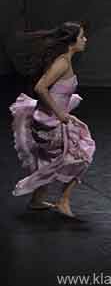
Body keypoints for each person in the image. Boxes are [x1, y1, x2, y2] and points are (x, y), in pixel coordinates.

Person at [10, 21, 95, 218]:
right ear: (72, 41)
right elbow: (41, 87)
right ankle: (63, 200)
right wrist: (59, 113)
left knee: (51, 160)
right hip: (50, 123)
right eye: (82, 36)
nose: (85, 39)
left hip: (48, 120)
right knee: (84, 154)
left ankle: (37, 200)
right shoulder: (63, 62)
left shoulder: (65, 60)